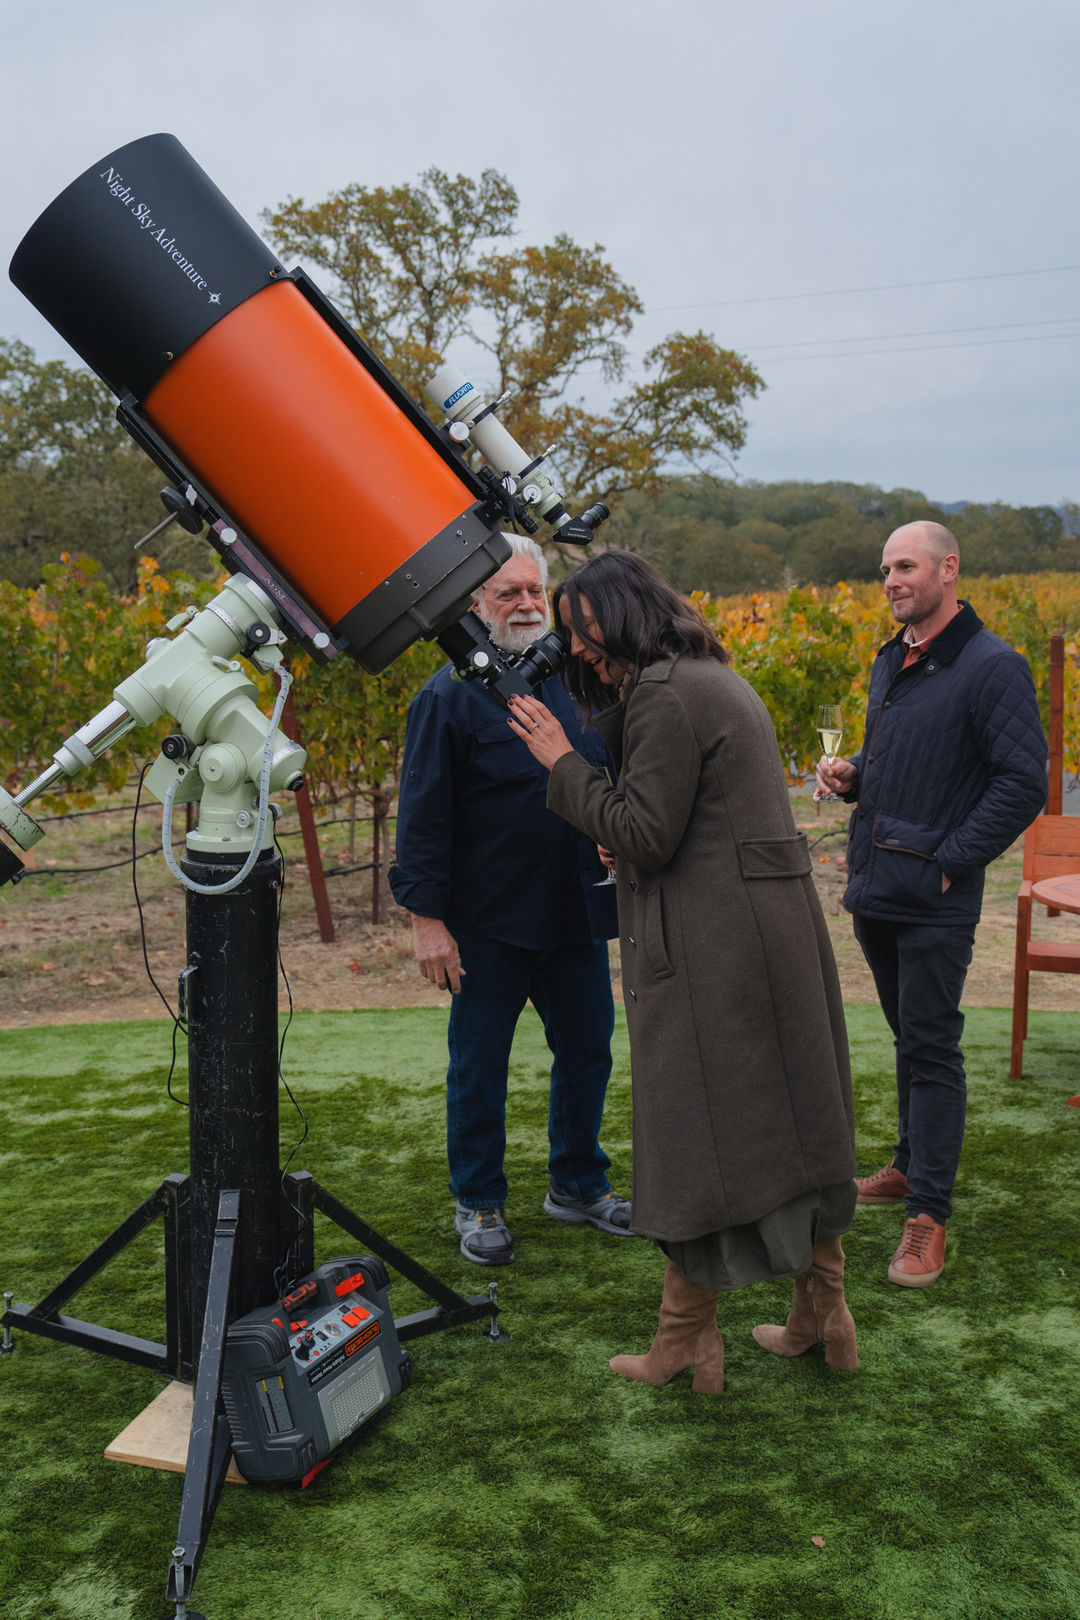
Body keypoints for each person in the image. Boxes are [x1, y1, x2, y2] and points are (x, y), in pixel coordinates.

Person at [507, 550, 858, 1394]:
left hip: (715, 945)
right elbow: (685, 818)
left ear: (624, 611)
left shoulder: (665, 691)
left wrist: (561, 760)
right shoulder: (710, 674)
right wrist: (625, 827)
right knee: (795, 1121)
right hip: (767, 933)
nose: (576, 647)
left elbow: (649, 836)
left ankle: (686, 1343)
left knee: (696, 1134)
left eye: (583, 627)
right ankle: (825, 1316)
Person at [387, 536, 632, 1266]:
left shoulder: (579, 682)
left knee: (588, 1051)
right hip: (486, 922)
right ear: (476, 605)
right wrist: (427, 921)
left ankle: (578, 1185)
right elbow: (422, 816)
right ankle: (478, 1199)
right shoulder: (447, 696)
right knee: (479, 1064)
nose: (526, 605)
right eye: (507, 594)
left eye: (533, 591)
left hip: (576, 910)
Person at [817, 521, 1046, 1288]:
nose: (891, 580)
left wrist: (951, 865)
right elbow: (906, 762)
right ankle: (909, 1166)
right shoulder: (893, 659)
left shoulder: (992, 666)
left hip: (933, 898)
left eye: (906, 566)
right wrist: (854, 777)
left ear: (948, 569)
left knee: (934, 1048)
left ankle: (929, 1216)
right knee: (908, 1039)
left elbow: (1023, 784)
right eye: (885, 568)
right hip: (877, 886)